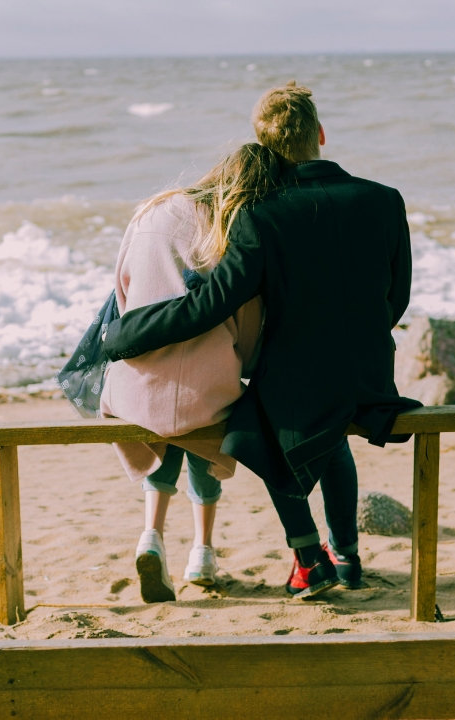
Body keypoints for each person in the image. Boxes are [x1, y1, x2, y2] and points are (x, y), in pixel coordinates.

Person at [103, 81, 421, 599]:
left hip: (297, 385)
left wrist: (125, 334)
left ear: (263, 143)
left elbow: (210, 305)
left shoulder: (260, 214)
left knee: (254, 428)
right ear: (320, 133)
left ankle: (307, 558)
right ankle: (347, 555)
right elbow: (397, 297)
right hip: (371, 376)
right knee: (333, 431)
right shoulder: (384, 200)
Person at [100, 143, 278, 603]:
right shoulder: (230, 231)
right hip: (204, 392)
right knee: (205, 418)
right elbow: (246, 324)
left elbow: (121, 289)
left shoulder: (151, 210)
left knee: (162, 421)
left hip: (136, 387)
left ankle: (151, 536)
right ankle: (202, 549)